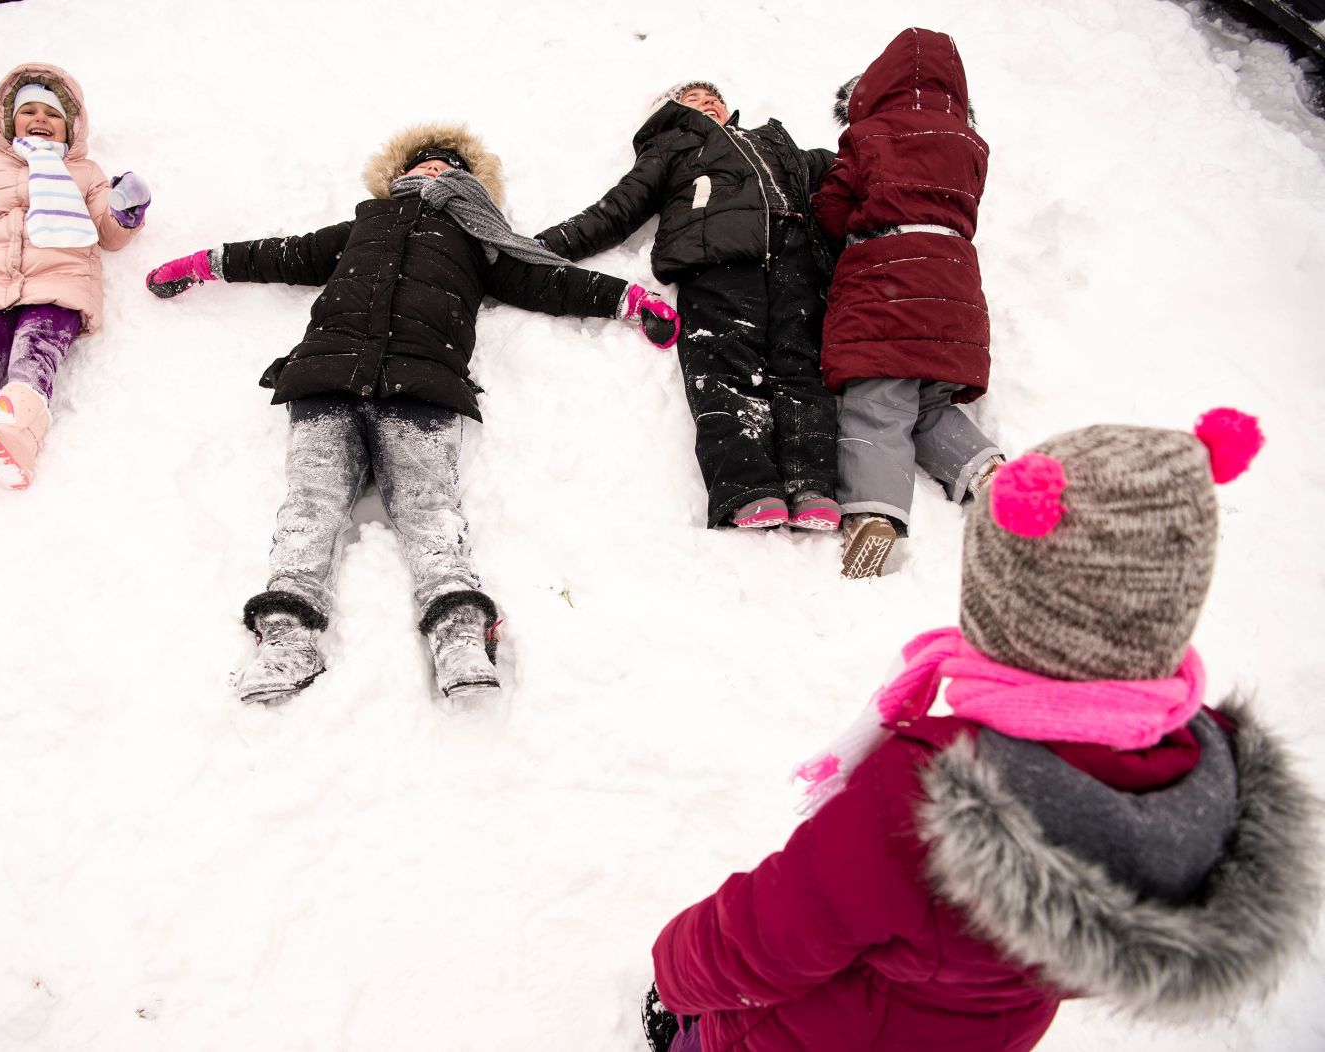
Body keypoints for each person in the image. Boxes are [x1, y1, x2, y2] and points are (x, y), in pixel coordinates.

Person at [642, 410, 1321, 1052]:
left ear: (1012, 604)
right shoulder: (1204, 778)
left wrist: (675, 971)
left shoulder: (930, 795)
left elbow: (770, 938)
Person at [144, 123, 679, 705]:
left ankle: (461, 637)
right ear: (398, 175)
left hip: (422, 386)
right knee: (310, 506)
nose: (433, 172)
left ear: (471, 183)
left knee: (429, 512)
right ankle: (286, 639)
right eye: (423, 165)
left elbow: (546, 280)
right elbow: (288, 253)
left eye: (449, 167)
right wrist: (207, 262)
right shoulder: (365, 224)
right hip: (327, 375)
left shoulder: (481, 242)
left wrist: (629, 300)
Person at [536, 82, 841, 532]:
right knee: (722, 371)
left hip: (795, 264)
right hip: (717, 264)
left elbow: (845, 169)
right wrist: (542, 248)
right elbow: (617, 210)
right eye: (694, 100)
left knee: (800, 370)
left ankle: (811, 484)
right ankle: (747, 487)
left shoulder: (771, 142)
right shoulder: (673, 146)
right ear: (669, 112)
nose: (709, 104)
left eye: (714, 98)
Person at [810, 28, 1003, 578]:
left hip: (890, 277)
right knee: (929, 406)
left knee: (879, 403)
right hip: (956, 287)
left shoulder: (871, 134)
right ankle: (986, 472)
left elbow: (834, 206)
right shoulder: (969, 143)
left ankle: (874, 517)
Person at [0, 63, 149, 497]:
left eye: (53, 113)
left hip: (59, 282)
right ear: (9, 120)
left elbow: (108, 233)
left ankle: (16, 432)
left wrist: (123, 212)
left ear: (71, 126)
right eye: (29, 110)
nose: (40, 119)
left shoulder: (85, 172)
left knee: (34, 354)